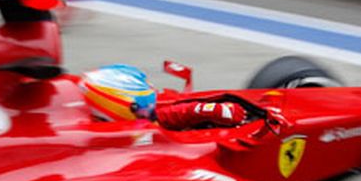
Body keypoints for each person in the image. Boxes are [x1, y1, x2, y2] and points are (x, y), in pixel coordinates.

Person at [80, 65, 247, 130]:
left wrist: (201, 109)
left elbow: (162, 116)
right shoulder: (118, 139)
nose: (151, 110)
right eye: (146, 107)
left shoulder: (112, 118)